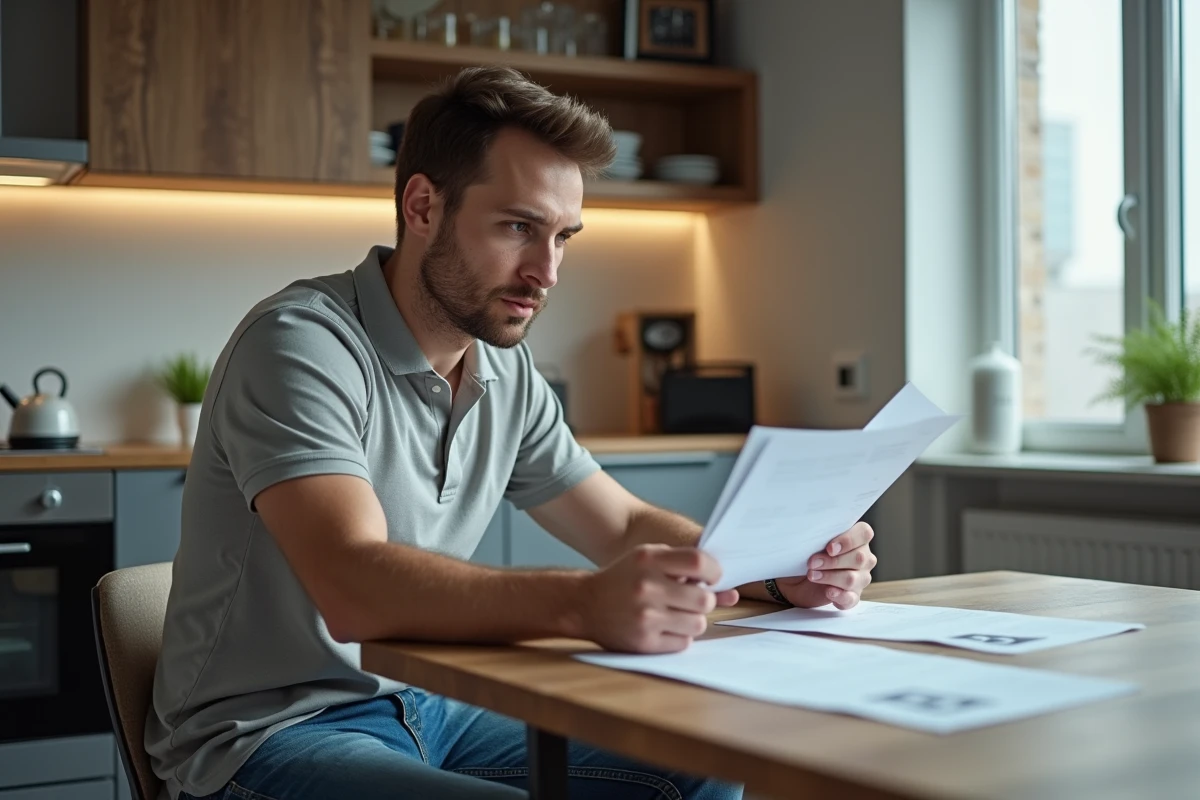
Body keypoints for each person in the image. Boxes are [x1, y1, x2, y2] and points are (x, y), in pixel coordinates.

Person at [146, 65, 877, 800]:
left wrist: (773, 569)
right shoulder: (302, 344)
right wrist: (584, 605)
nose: (547, 271)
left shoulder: (505, 370)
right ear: (423, 205)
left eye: (563, 236)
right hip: (269, 733)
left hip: (430, 704)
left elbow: (620, 522)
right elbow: (352, 585)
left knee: (707, 766)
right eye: (520, 228)